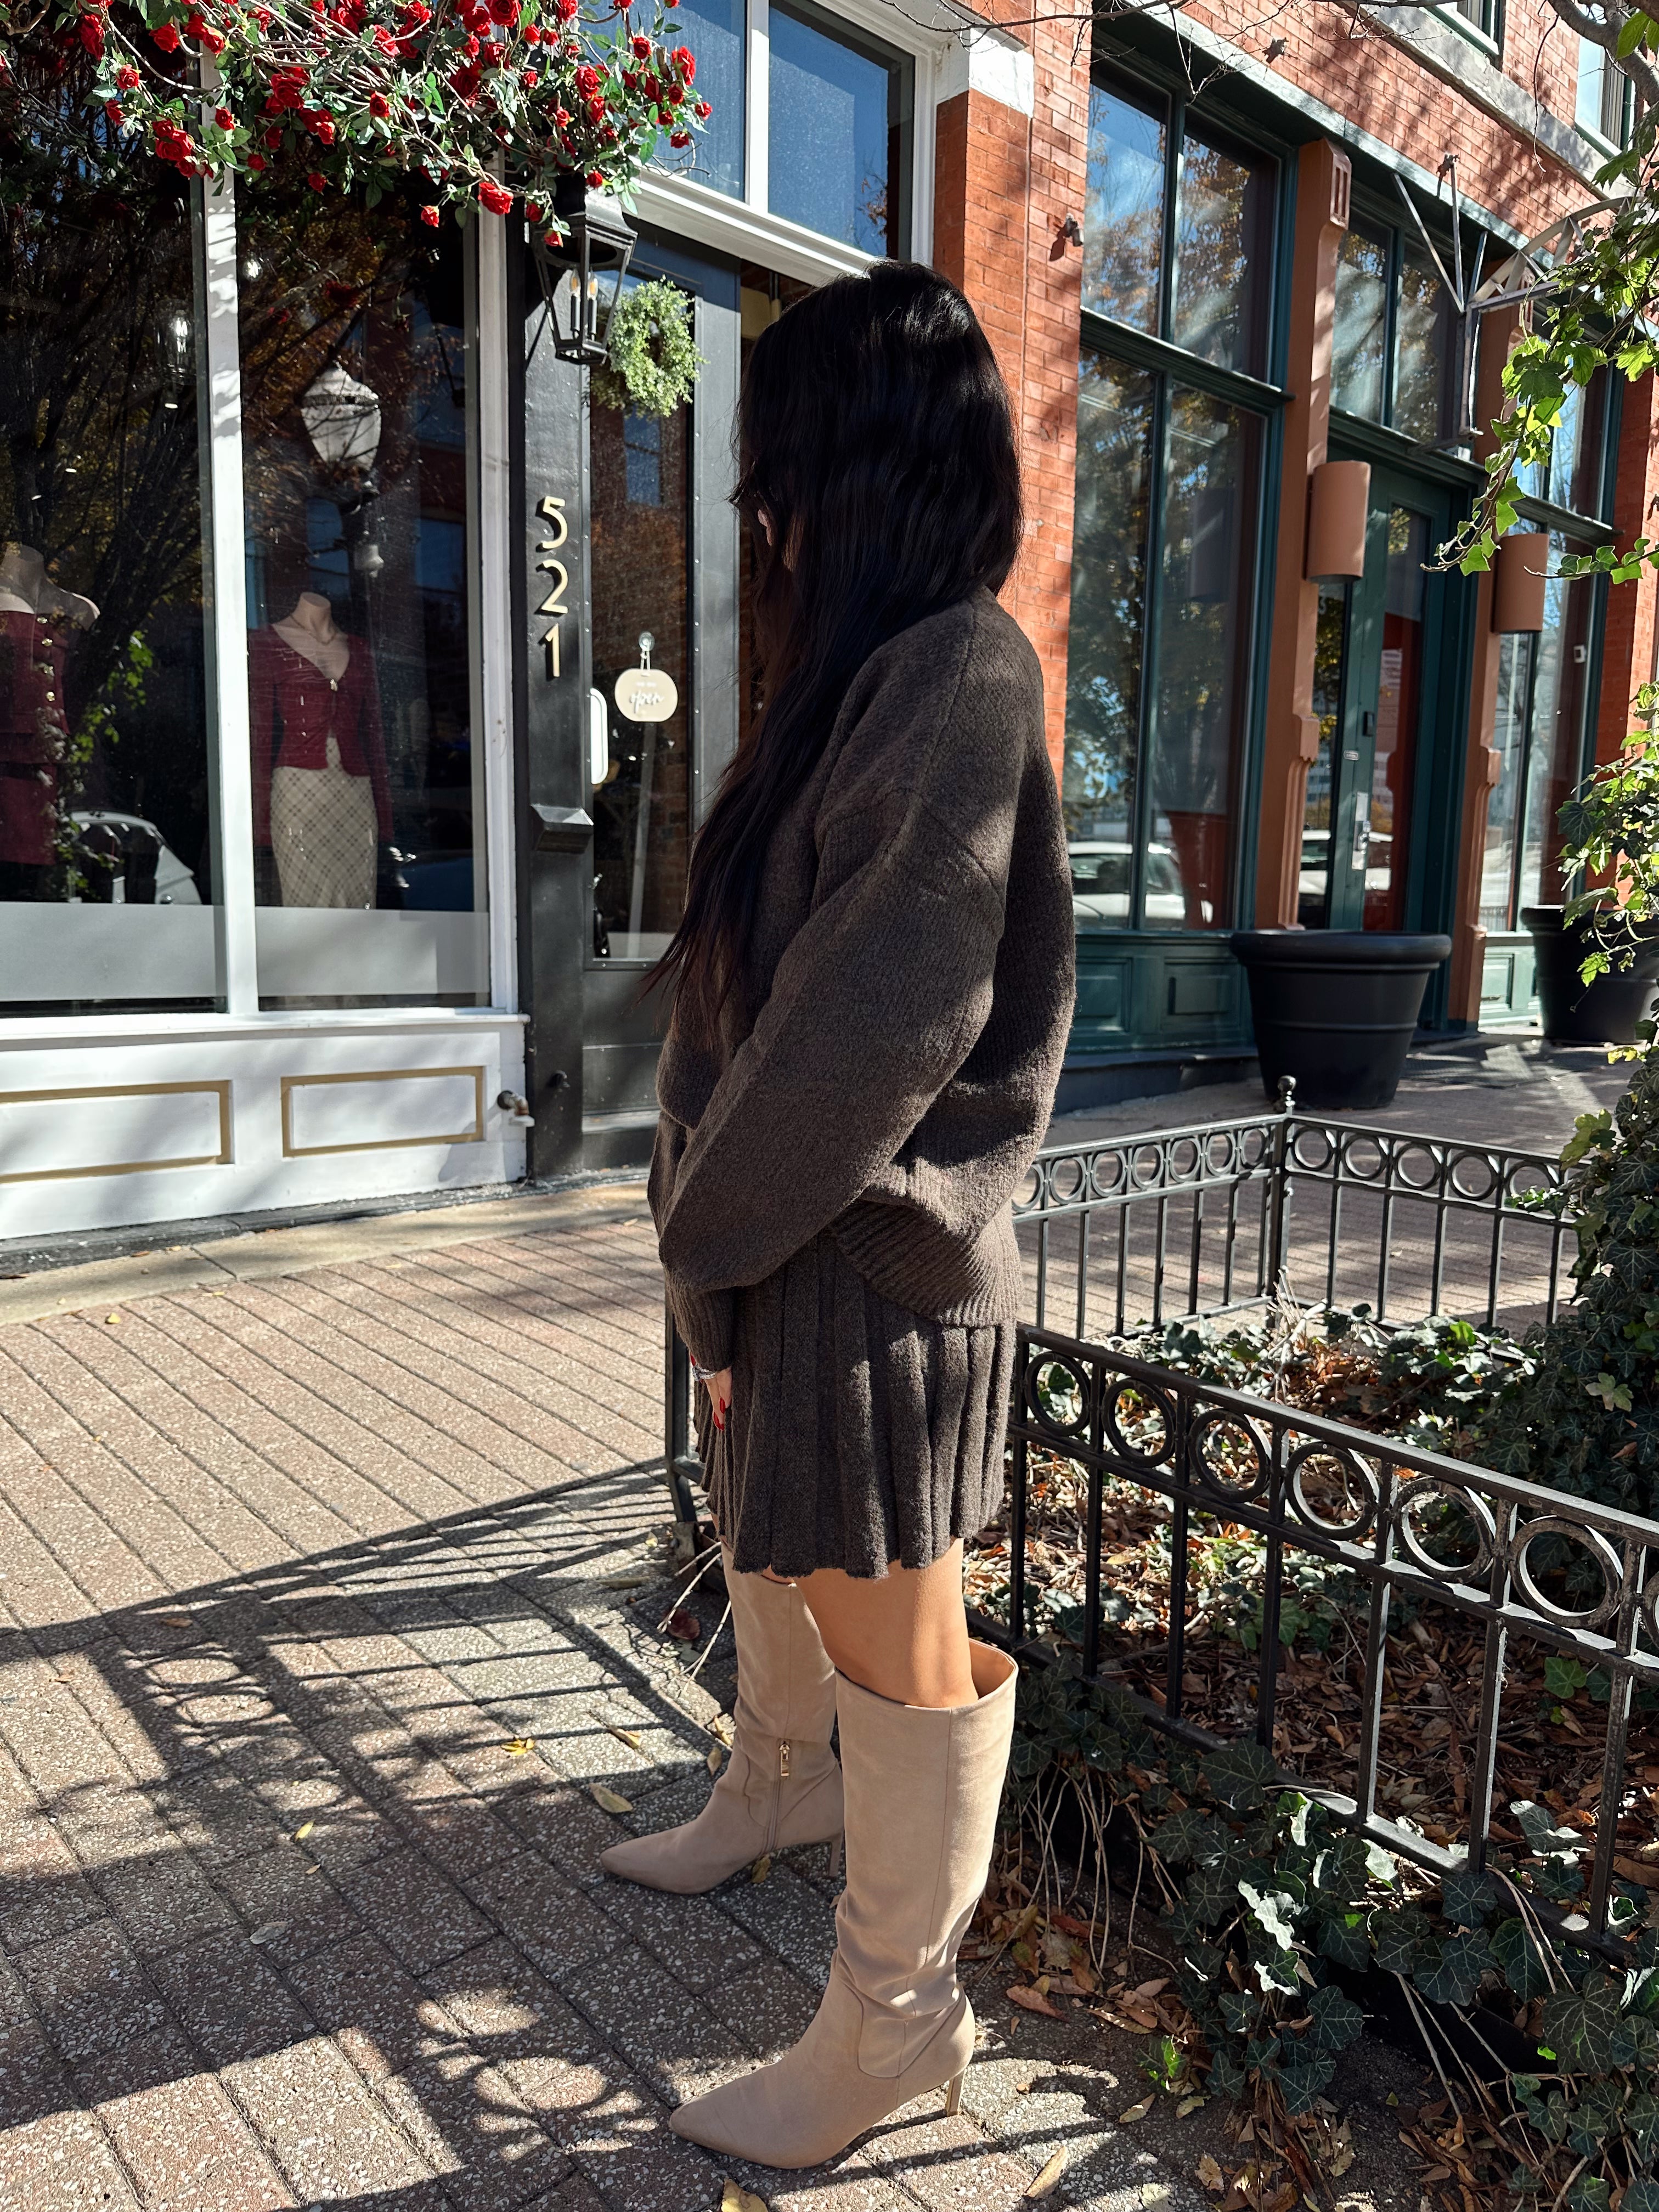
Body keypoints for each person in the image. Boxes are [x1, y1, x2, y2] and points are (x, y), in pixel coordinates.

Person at [600, 261, 1076, 2169]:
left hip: (873, 1265)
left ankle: (897, 2024)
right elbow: (736, 1002)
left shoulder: (963, 669)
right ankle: (774, 1785)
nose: (759, 515)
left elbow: (873, 1020)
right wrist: (708, 1277)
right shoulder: (846, 686)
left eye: (780, 471)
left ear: (866, 468)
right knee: (777, 1550)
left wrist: (705, 1250)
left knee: (908, 1646)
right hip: (781, 1247)